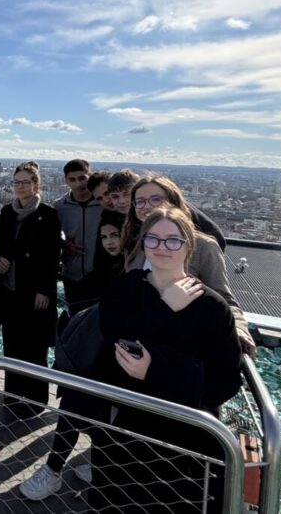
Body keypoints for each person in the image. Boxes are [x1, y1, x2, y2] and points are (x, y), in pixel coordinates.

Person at [21, 206, 242, 510]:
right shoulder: (125, 289)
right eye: (153, 240)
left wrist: (156, 369)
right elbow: (117, 348)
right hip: (122, 437)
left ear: (189, 245)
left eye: (173, 240)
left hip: (184, 444)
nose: (162, 247)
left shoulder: (213, 309)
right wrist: (165, 308)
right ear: (142, 244)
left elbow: (226, 381)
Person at [21, 209, 129, 497]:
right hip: (99, 357)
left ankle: (61, 469)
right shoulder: (110, 267)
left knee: (89, 411)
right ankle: (64, 467)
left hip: (115, 359)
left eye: (115, 235)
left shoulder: (134, 270)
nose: (108, 242)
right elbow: (82, 290)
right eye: (104, 236)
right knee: (78, 407)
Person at [121, 175, 255, 356]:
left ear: (173, 202)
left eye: (156, 199)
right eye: (140, 201)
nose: (147, 206)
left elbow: (223, 298)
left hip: (183, 344)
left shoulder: (203, 246)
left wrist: (238, 328)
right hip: (141, 340)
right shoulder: (137, 244)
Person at [0, 161, 62, 415]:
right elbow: (1, 241)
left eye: (26, 182)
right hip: (10, 289)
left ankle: (34, 401)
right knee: (12, 344)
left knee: (34, 347)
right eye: (17, 182)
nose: (20, 187)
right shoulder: (7, 212)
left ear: (36, 185)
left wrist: (45, 290)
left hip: (34, 291)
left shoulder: (48, 214)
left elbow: (51, 255)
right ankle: (13, 395)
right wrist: (0, 256)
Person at [53, 159, 102, 313]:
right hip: (72, 275)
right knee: (76, 322)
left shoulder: (103, 204)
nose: (78, 184)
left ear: (90, 177)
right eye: (72, 179)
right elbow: (50, 236)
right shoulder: (60, 206)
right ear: (65, 180)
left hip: (101, 274)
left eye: (82, 178)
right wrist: (64, 244)